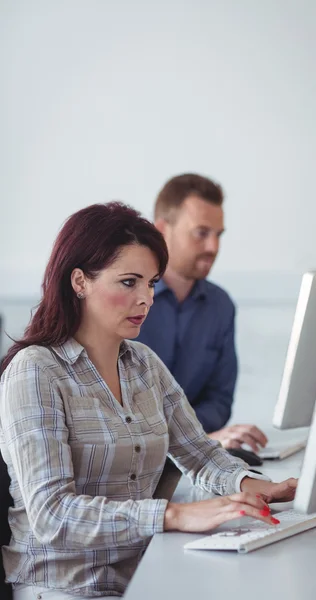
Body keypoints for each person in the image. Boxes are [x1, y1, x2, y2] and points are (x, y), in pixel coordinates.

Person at [0, 202, 296, 599]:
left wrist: (252, 484)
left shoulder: (143, 364)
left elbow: (200, 453)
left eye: (152, 282)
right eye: (129, 282)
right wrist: (173, 514)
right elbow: (52, 514)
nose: (147, 299)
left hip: (144, 574)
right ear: (79, 282)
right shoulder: (35, 371)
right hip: (64, 586)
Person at [137, 173, 267, 452]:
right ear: (162, 229)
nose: (214, 247)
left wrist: (192, 439)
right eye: (201, 233)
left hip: (197, 458)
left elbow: (219, 400)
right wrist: (191, 436)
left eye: (218, 235)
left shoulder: (220, 306)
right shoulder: (125, 300)